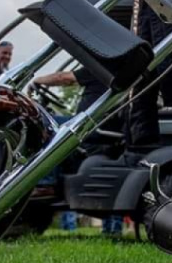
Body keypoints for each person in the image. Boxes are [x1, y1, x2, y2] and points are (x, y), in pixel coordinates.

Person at [32, 67, 125, 236]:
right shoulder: (119, 72)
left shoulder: (99, 68)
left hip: (90, 127)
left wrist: (37, 80)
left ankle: (46, 183)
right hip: (103, 126)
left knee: (45, 123)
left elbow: (64, 77)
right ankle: (113, 229)